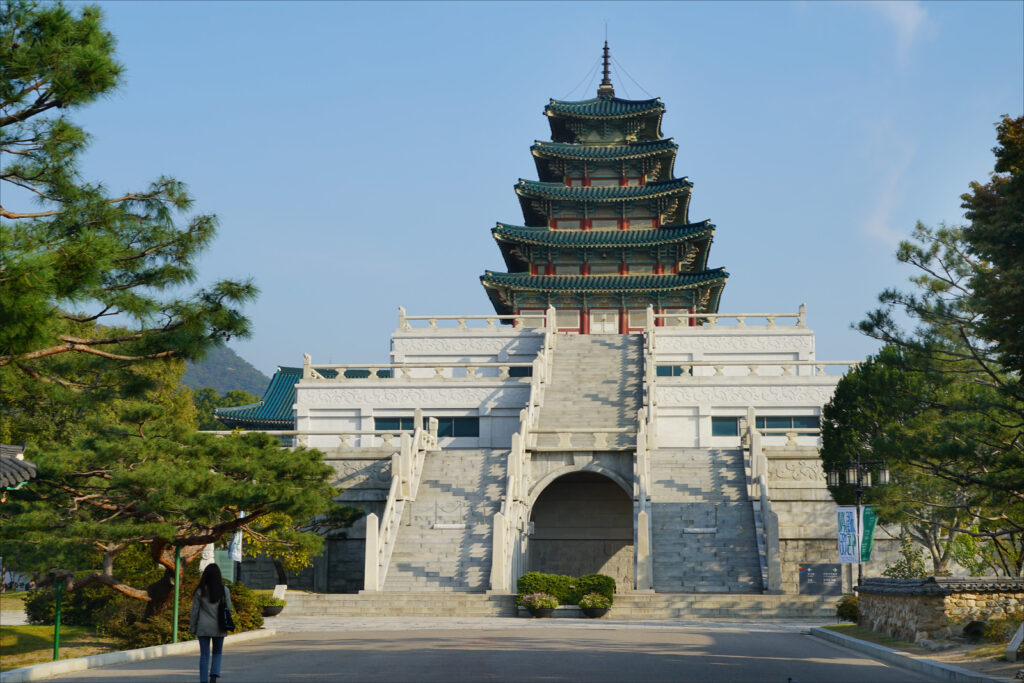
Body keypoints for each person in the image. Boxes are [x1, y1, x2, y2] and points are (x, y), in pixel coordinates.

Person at [189, 564, 232, 683]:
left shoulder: (200, 591)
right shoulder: (224, 590)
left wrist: (192, 627)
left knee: (204, 655)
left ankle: (203, 680)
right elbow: (229, 609)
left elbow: (195, 611)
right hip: (219, 626)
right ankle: (214, 674)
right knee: (217, 652)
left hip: (203, 626)